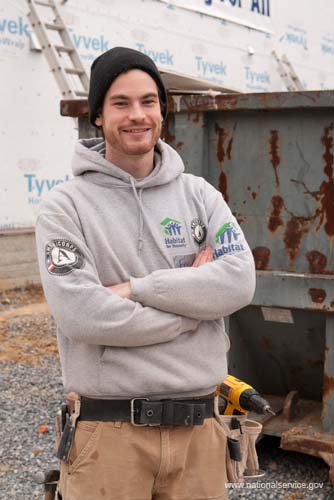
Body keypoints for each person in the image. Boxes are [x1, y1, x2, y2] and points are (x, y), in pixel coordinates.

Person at [35, 46, 256, 500]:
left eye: (148, 101)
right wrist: (195, 310)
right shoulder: (66, 208)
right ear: (98, 115)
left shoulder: (200, 196)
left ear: (162, 109)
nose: (137, 115)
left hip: (201, 436)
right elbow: (83, 315)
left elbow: (239, 280)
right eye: (121, 103)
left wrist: (137, 288)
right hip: (109, 440)